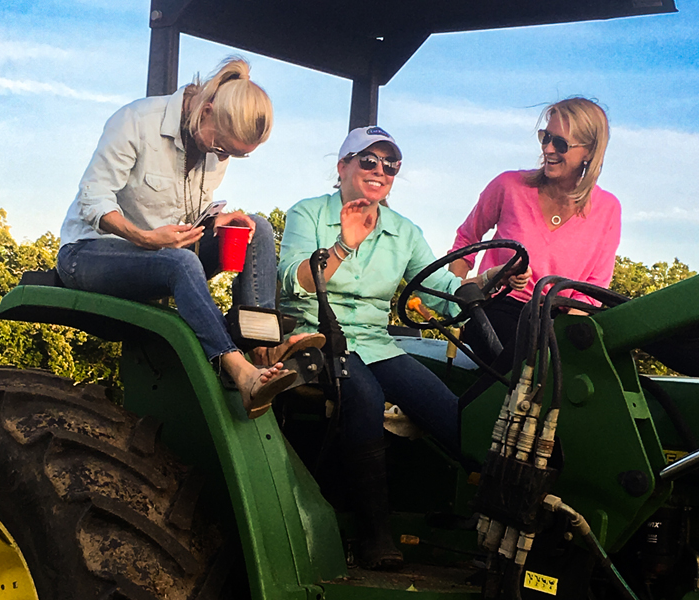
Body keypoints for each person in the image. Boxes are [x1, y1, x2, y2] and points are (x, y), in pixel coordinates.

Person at [278, 126, 528, 570]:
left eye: (390, 164)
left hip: (375, 343)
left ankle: (501, 525)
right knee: (365, 395)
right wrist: (344, 245)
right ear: (342, 167)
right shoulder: (308, 213)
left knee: (449, 410)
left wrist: (493, 278)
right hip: (316, 336)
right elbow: (292, 282)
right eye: (368, 160)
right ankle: (374, 533)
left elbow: (443, 291)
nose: (380, 170)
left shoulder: (404, 232)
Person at [56, 57, 316, 418]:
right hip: (89, 254)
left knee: (257, 227)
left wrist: (214, 219)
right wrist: (145, 238)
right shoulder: (136, 120)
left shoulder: (212, 144)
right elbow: (93, 200)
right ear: (207, 111)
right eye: (222, 148)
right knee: (180, 262)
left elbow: (187, 214)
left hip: (162, 256)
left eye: (233, 154)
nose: (222, 156)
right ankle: (241, 373)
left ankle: (261, 348)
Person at [448, 97, 620, 365]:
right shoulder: (508, 186)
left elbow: (593, 289)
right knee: (517, 354)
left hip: (555, 321)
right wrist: (452, 298)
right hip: (498, 307)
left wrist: (563, 340)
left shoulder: (608, 209)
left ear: (588, 152)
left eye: (560, 143)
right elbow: (467, 240)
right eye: (545, 137)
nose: (548, 148)